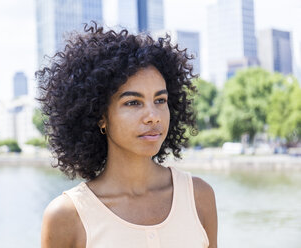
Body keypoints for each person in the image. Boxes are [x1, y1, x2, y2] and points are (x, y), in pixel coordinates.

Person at [37, 22, 217, 248]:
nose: (153, 116)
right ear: (100, 115)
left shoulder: (199, 196)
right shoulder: (67, 216)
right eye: (133, 102)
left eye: (160, 100)